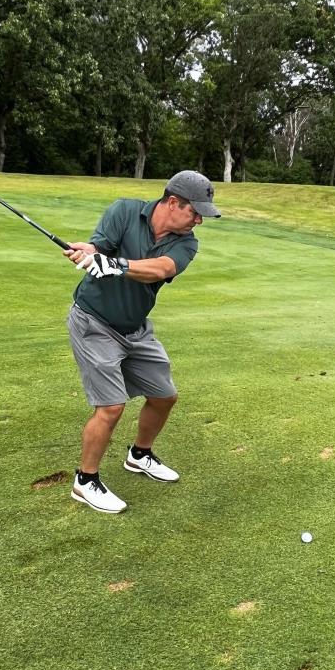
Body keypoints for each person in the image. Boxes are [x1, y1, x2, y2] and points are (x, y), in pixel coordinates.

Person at [63, 170, 221, 514]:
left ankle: (139, 454)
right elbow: (99, 246)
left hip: (135, 329)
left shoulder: (186, 243)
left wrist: (116, 265)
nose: (198, 221)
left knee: (164, 396)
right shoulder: (124, 211)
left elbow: (161, 268)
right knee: (111, 406)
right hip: (94, 322)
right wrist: (89, 252)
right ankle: (85, 480)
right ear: (173, 202)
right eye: (195, 212)